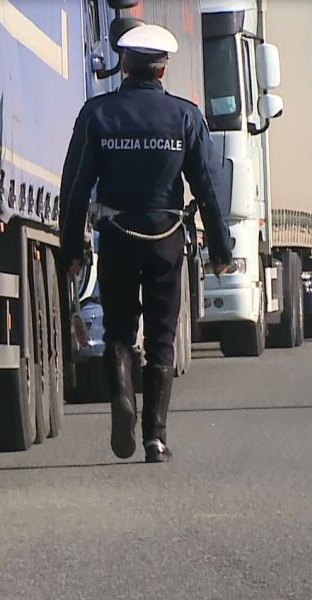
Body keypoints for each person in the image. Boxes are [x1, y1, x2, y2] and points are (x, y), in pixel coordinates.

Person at [58, 24, 232, 464]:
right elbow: (208, 187)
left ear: (123, 63)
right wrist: (222, 250)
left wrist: (71, 248)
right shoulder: (186, 117)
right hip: (167, 239)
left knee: (118, 329)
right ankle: (155, 438)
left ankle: (121, 399)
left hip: (116, 236)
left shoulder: (97, 114)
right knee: (161, 336)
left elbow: (76, 186)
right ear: (164, 68)